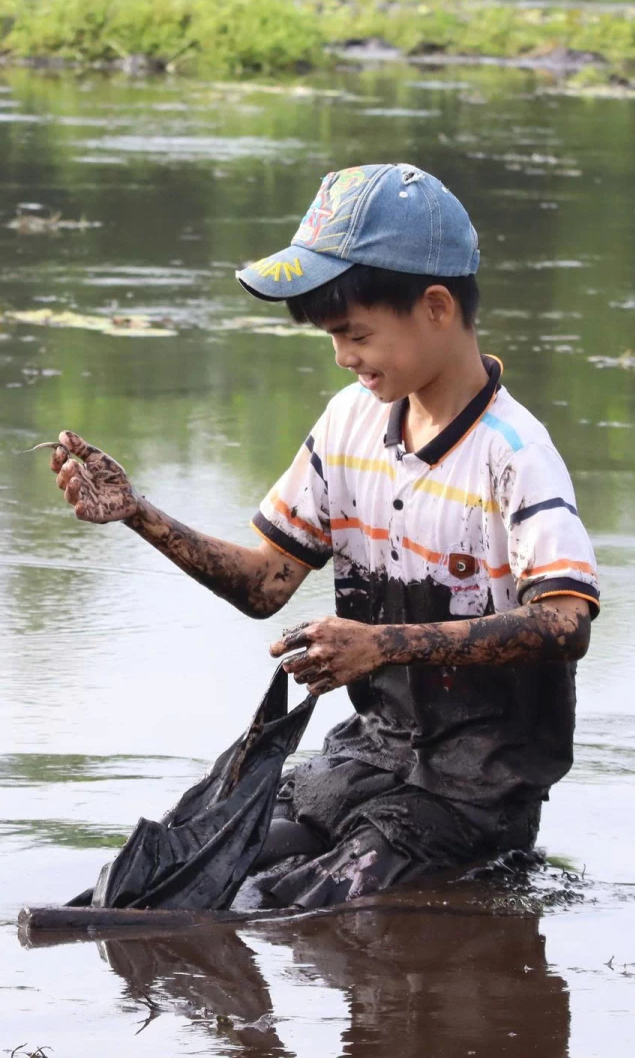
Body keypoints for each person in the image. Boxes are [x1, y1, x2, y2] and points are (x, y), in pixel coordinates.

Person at [48, 163, 599, 910]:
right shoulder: (349, 423)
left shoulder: (515, 454)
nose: (343, 356)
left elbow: (565, 624)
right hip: (368, 762)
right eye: (334, 337)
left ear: (436, 307)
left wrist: (382, 646)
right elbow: (265, 583)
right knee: (204, 862)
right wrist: (138, 513)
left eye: (356, 334)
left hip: (476, 791)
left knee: (297, 907)